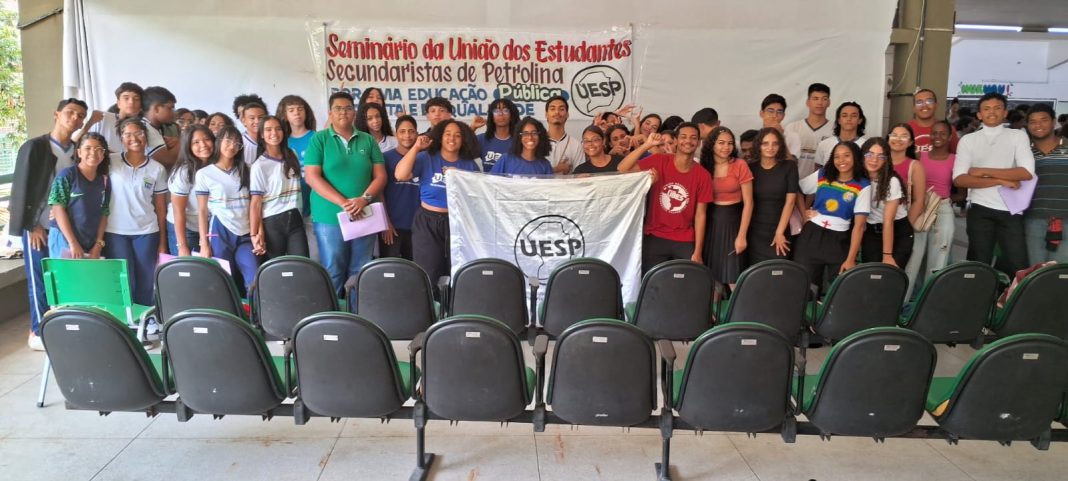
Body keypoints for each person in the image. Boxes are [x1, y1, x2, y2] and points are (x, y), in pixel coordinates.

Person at [10, 98, 87, 350]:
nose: (74, 118)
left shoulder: (77, 149)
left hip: (64, 228)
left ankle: (60, 326)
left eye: (80, 115)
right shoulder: (35, 147)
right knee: (38, 280)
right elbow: (21, 189)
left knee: (62, 278)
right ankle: (37, 331)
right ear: (57, 114)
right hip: (38, 227)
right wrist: (33, 225)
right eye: (70, 112)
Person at [304, 91, 387, 295]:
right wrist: (345, 203)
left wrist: (364, 199)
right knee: (333, 269)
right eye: (338, 108)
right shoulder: (319, 140)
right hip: (329, 217)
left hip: (364, 214)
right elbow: (312, 177)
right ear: (330, 113)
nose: (343, 112)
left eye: (348, 108)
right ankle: (335, 319)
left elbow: (380, 177)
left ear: (354, 112)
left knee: (360, 269)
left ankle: (357, 315)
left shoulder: (367, 140)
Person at [953, 92, 1035, 275]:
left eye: (997, 108)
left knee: (1018, 264)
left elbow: (1026, 172)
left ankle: (1012, 303)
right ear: (979, 115)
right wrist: (1000, 180)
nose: (992, 112)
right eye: (986, 109)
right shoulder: (968, 140)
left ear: (1005, 112)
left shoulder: (1017, 136)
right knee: (978, 264)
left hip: (1011, 209)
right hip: (980, 209)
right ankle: (978, 303)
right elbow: (960, 178)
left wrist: (983, 172)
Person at [394, 119, 482, 288]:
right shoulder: (426, 157)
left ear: (464, 140)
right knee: (428, 271)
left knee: (455, 270)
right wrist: (416, 148)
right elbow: (400, 174)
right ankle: (431, 311)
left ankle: (451, 311)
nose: (452, 138)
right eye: (447, 134)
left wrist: (461, 176)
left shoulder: (469, 164)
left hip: (457, 222)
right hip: (427, 221)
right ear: (440, 137)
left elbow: (476, 198)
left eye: (458, 135)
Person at [618, 124, 711, 273]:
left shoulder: (703, 175)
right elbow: (622, 169)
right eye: (683, 137)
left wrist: (698, 251)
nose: (688, 141)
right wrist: (647, 145)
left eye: (693, 138)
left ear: (699, 142)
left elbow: (701, 215)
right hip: (655, 235)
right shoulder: (660, 160)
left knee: (684, 283)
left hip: (685, 238)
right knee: (653, 285)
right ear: (675, 141)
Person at [105, 117, 169, 306]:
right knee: (123, 278)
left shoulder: (157, 169)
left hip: (147, 231)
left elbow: (160, 208)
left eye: (139, 133)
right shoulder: (110, 162)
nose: (134, 138)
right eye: (127, 134)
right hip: (115, 231)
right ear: (121, 138)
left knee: (146, 279)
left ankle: (144, 319)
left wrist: (163, 242)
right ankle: (125, 320)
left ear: (146, 137)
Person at [793, 141, 872, 288]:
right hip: (812, 236)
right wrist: (804, 213)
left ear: (855, 157)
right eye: (837, 156)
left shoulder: (863, 185)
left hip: (840, 240)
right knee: (806, 287)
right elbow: (796, 188)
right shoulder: (823, 175)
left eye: (846, 156)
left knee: (840, 288)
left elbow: (860, 226)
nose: (841, 160)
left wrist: (850, 259)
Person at [195, 126, 260, 292]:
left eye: (237, 143)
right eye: (228, 141)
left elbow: (256, 204)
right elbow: (202, 211)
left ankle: (254, 317)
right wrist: (204, 243)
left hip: (245, 232)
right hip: (219, 232)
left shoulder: (248, 170)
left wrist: (258, 233)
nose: (232, 146)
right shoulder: (204, 174)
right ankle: (227, 317)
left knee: (254, 280)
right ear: (219, 142)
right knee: (222, 282)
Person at [699, 127, 753, 288]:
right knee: (712, 279)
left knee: (733, 278)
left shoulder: (740, 164)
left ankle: (738, 313)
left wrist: (742, 235)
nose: (726, 147)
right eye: (721, 143)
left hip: (734, 223)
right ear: (712, 145)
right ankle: (712, 314)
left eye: (730, 143)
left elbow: (749, 203)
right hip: (711, 223)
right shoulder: (704, 166)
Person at [250, 116, 308, 259]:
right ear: (262, 135)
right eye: (268, 130)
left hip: (295, 218)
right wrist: (255, 233)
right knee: (276, 268)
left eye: (278, 129)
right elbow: (256, 203)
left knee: (302, 263)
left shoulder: (291, 154)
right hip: (272, 223)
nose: (274, 133)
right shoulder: (259, 165)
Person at [47, 133, 111, 260]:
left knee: (87, 279)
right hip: (64, 240)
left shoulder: (104, 180)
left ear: (103, 154)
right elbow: (57, 209)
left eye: (99, 149)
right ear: (79, 152)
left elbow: (104, 212)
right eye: (88, 148)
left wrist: (98, 244)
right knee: (66, 279)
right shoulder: (67, 175)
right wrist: (73, 243)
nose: (93, 152)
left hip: (90, 242)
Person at [908, 120, 957, 283]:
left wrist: (941, 200)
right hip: (920, 207)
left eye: (943, 133)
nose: (938, 136)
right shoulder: (918, 156)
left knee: (938, 258)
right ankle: (906, 301)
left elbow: (962, 193)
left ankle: (929, 300)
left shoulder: (954, 159)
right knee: (914, 255)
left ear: (950, 137)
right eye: (935, 133)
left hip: (942, 209)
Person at [747, 128, 799, 265]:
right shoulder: (750, 168)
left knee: (779, 272)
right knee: (756, 273)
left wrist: (780, 232)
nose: (770, 147)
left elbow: (790, 202)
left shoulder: (790, 166)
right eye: (765, 143)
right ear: (758, 145)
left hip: (780, 229)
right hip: (754, 231)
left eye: (775, 143)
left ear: (780, 146)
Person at [1024, 104, 1068, 264]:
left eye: (1043, 120)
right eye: (1032, 121)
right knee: (1035, 273)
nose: (1038, 125)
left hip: (1066, 219)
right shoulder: (1025, 153)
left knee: (1060, 274)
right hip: (1033, 220)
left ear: (1054, 121)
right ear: (1027, 126)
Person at [887, 124, 928, 294]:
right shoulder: (877, 161)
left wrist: (905, 227)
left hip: (901, 224)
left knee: (899, 271)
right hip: (876, 223)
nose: (898, 139)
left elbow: (919, 200)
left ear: (911, 142)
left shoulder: (914, 166)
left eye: (903, 136)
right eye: (894, 135)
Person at [859, 138, 911, 268]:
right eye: (869, 154)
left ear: (886, 160)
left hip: (896, 231)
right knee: (870, 275)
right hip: (871, 231)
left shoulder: (891, 181)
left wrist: (887, 255)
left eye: (880, 156)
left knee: (889, 276)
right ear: (862, 155)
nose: (874, 160)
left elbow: (888, 221)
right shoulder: (858, 177)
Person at [80, 82, 165, 158]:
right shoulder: (102, 118)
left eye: (136, 99)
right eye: (126, 98)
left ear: (141, 105)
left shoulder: (146, 126)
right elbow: (82, 145)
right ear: (118, 103)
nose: (131, 102)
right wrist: (89, 123)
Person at [167, 125, 215, 256]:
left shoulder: (217, 167)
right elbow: (178, 211)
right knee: (189, 268)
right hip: (185, 228)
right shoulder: (184, 172)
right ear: (188, 147)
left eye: (207, 139)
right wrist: (182, 246)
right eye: (196, 142)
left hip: (209, 226)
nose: (203, 145)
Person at [380, 115, 421, 260]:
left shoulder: (424, 158)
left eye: (411, 131)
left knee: (416, 271)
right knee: (391, 272)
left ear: (417, 133)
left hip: (419, 227)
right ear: (396, 134)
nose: (407, 136)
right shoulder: (385, 158)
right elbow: (379, 193)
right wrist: (385, 223)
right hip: (393, 227)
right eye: (402, 131)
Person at [276, 95, 317, 219]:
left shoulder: (317, 138)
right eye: (291, 110)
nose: (297, 113)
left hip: (315, 201)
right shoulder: (281, 142)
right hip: (291, 204)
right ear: (284, 115)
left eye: (300, 109)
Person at [784, 83, 834, 178]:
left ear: (829, 102)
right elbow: (784, 159)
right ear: (807, 102)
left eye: (824, 99)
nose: (820, 102)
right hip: (794, 183)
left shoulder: (835, 130)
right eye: (815, 98)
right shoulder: (792, 128)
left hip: (824, 184)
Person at [812, 102, 868, 174]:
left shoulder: (866, 146)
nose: (849, 119)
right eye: (844, 116)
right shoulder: (824, 144)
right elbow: (817, 172)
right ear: (839, 120)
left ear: (860, 120)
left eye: (853, 116)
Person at [908, 89, 959, 154]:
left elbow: (955, 159)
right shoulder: (904, 130)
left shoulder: (949, 130)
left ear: (936, 105)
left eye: (929, 101)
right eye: (919, 102)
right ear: (914, 108)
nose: (924, 105)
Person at [141, 86, 181, 167]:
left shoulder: (155, 127)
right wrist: (184, 141)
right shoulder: (144, 128)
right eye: (170, 108)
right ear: (156, 108)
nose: (174, 113)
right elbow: (168, 160)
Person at [476, 98, 519, 172]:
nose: (501, 114)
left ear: (511, 115)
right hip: (489, 183)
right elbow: (460, 151)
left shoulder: (520, 140)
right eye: (496, 111)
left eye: (505, 110)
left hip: (512, 183)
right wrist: (472, 127)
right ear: (492, 117)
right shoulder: (482, 139)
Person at [544, 95, 584, 174]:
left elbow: (580, 176)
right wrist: (556, 169)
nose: (557, 112)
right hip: (540, 186)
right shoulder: (537, 142)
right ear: (546, 115)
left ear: (567, 114)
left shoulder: (575, 145)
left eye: (561, 109)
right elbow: (530, 173)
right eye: (552, 109)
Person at [239, 101, 268, 165]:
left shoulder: (271, 139)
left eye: (260, 117)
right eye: (252, 118)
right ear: (244, 121)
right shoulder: (239, 142)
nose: (257, 121)